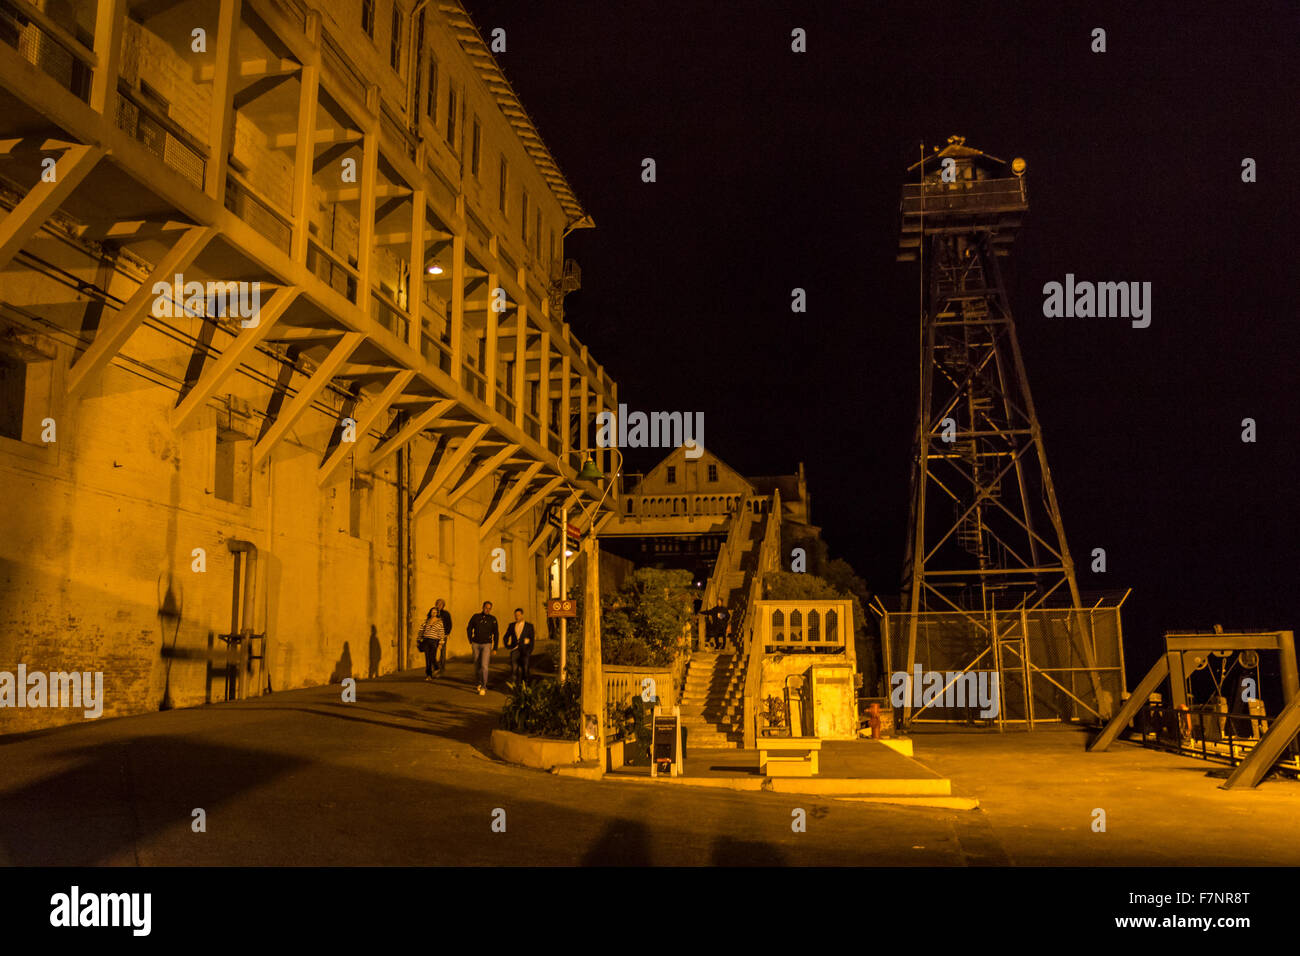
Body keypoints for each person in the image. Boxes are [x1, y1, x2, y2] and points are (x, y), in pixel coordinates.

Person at [466, 600, 498, 695]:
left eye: (489, 608)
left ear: (491, 609)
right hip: (476, 644)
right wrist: (470, 639)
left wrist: (495, 647)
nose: (487, 610)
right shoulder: (476, 617)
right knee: (477, 664)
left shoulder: (493, 619)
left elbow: (496, 633)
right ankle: (478, 682)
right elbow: (469, 627)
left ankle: (484, 686)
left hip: (486, 645)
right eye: (486, 608)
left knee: (484, 666)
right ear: (482, 607)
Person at [504, 607, 536, 684]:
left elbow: (532, 639)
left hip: (525, 650)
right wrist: (507, 645)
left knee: (525, 669)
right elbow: (506, 636)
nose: (516, 617)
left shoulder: (529, 626)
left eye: (518, 615)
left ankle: (525, 685)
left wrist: (529, 651)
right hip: (515, 649)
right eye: (515, 615)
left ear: (522, 615)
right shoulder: (511, 625)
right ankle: (514, 686)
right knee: (514, 669)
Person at [418, 608, 445, 681]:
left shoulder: (439, 622)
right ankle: (428, 675)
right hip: (426, 640)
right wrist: (419, 639)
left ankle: (436, 667)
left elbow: (441, 633)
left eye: (435, 612)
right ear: (430, 613)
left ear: (437, 613)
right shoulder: (426, 621)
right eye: (432, 612)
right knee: (427, 658)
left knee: (432, 656)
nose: (434, 613)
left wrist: (441, 643)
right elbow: (421, 630)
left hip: (434, 641)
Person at [434, 598, 452, 673]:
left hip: (443, 635)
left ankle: (442, 667)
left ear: (443, 605)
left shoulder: (446, 614)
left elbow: (449, 624)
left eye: (441, 604)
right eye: (437, 604)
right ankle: (435, 667)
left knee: (442, 651)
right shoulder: (433, 612)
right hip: (434, 635)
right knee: (433, 651)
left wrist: (446, 633)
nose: (439, 605)